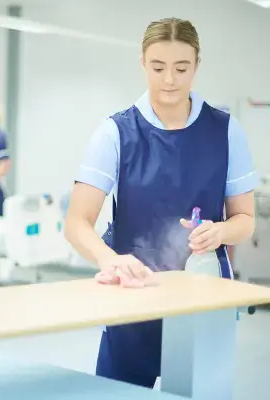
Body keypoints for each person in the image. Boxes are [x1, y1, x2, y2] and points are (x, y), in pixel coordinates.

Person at [64, 17, 258, 388]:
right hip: (132, 297)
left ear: (197, 65)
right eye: (158, 67)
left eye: (181, 68)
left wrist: (220, 232)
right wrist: (110, 259)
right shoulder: (115, 132)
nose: (169, 79)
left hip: (203, 297)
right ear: (142, 63)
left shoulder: (226, 131)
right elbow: (76, 222)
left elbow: (245, 219)